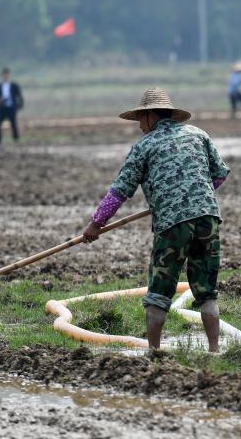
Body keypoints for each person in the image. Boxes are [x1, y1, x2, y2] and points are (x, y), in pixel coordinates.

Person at [82, 87, 230, 352]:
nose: (139, 126)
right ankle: (214, 351)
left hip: (173, 225)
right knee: (206, 290)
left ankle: (153, 352)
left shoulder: (144, 146)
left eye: (141, 119)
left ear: (151, 115)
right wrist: (190, 195)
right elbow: (218, 176)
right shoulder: (198, 134)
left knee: (159, 291)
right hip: (208, 217)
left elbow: (120, 190)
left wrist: (96, 224)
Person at [0, 67, 23, 143]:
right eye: (4, 75)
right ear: (2, 75)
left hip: (11, 107)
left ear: (9, 75)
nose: (5, 76)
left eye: (7, 74)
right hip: (2, 108)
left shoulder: (14, 85)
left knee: (13, 124)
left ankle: (16, 139)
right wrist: (0, 100)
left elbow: (19, 96)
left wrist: (19, 106)